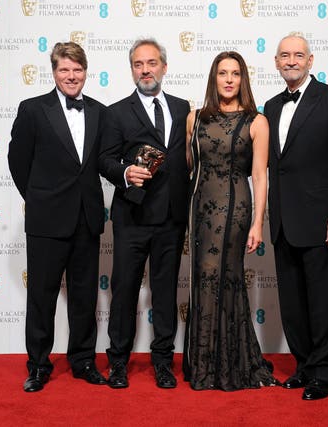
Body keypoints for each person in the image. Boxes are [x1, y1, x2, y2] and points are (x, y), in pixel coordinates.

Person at [8, 41, 108, 392]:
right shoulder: (33, 110)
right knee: (41, 297)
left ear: (86, 72)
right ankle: (38, 365)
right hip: (46, 220)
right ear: (53, 72)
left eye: (77, 70)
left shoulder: (99, 111)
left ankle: (83, 361)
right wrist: (38, 199)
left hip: (87, 219)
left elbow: (103, 162)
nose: (71, 76)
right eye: (64, 69)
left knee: (85, 297)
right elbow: (18, 162)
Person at [264, 33, 328, 400]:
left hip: (323, 222)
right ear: (276, 62)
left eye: (298, 55)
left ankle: (324, 372)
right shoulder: (270, 106)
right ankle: (304, 365)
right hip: (284, 222)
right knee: (293, 304)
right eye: (284, 55)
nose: (291, 61)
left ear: (311, 60)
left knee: (325, 302)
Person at [99, 38, 190, 389]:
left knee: (165, 292)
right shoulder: (116, 112)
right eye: (139, 64)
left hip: (171, 218)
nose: (146, 69)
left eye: (152, 63)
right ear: (132, 69)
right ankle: (118, 363)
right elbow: (103, 159)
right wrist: (124, 172)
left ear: (164, 67)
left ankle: (163, 362)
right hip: (132, 217)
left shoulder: (184, 109)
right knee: (124, 291)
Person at [182, 51, 276, 391]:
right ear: (214, 77)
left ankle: (230, 365)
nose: (229, 79)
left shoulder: (257, 121)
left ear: (243, 79)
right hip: (200, 209)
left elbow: (260, 177)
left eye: (235, 73)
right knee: (203, 280)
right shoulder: (194, 119)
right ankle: (203, 365)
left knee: (227, 278)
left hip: (236, 208)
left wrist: (257, 224)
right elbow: (190, 168)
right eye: (223, 73)